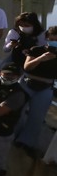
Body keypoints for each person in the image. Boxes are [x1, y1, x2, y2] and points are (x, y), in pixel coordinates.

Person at [15, 25, 57, 156]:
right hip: (27, 83)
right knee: (17, 111)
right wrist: (41, 58)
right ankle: (11, 135)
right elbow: (27, 67)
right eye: (52, 39)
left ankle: (26, 142)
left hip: (45, 87)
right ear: (47, 38)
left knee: (37, 117)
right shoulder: (36, 50)